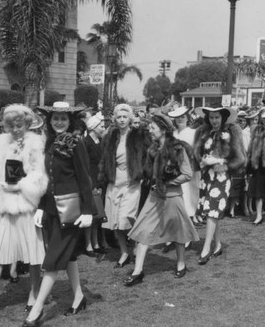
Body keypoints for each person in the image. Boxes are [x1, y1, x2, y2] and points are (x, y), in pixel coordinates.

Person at [0, 104, 48, 323]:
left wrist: (21, 186)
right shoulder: (0, 142)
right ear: (6, 125)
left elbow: (39, 175)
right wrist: (0, 188)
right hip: (5, 204)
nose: (16, 129)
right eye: (12, 125)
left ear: (27, 124)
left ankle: (35, 293)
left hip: (25, 203)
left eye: (20, 125)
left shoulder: (35, 142)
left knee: (33, 255)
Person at [23, 102, 95, 326]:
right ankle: (79, 297)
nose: (60, 122)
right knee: (69, 255)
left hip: (71, 209)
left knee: (52, 259)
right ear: (50, 120)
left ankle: (36, 310)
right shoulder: (50, 142)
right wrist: (43, 207)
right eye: (56, 118)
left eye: (64, 118)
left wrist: (88, 211)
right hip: (53, 208)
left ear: (70, 120)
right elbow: (48, 179)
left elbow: (85, 178)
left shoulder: (77, 143)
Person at [124, 112, 199, 286]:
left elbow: (187, 174)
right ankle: (138, 271)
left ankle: (181, 263)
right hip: (154, 196)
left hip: (172, 196)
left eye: (153, 127)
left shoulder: (178, 148)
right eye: (149, 127)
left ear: (164, 129)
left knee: (178, 231)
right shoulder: (153, 149)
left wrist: (168, 182)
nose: (150, 130)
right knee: (143, 229)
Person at [194, 105, 245, 264]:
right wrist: (202, 161)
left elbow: (240, 158)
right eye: (211, 117)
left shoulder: (231, 132)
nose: (214, 120)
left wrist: (218, 160)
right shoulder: (203, 132)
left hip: (222, 176)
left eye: (217, 117)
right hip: (206, 176)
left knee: (212, 210)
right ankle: (217, 245)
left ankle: (206, 247)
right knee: (211, 211)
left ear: (223, 117)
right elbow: (197, 153)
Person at [99, 104, 146, 268]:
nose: (121, 120)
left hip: (131, 183)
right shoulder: (110, 137)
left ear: (130, 118)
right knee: (115, 222)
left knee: (126, 217)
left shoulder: (138, 135)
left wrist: (142, 174)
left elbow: (147, 155)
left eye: (125, 117)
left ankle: (137, 244)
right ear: (114, 119)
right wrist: (102, 176)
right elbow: (104, 158)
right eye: (118, 117)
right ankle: (124, 251)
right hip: (114, 183)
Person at [168, 106, 201, 225]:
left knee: (190, 200)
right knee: (178, 200)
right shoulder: (172, 134)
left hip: (190, 171)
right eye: (177, 117)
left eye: (182, 117)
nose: (180, 119)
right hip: (175, 172)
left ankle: (189, 231)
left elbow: (198, 152)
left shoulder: (194, 133)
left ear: (187, 118)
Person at [83, 113, 108, 256]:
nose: (104, 128)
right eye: (102, 126)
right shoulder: (86, 143)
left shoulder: (99, 141)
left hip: (99, 182)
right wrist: (92, 183)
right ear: (93, 127)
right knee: (91, 215)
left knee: (98, 215)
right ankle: (88, 245)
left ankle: (96, 242)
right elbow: (86, 165)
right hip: (91, 183)